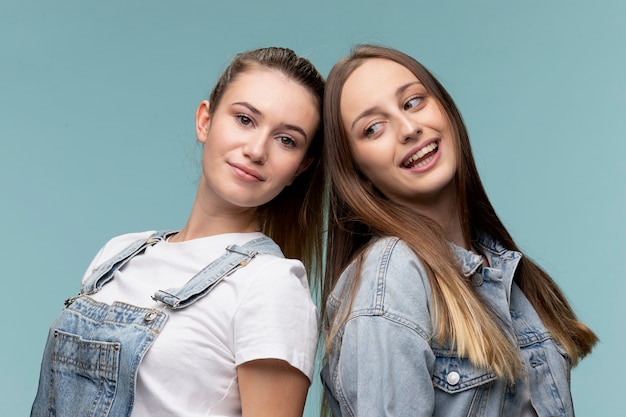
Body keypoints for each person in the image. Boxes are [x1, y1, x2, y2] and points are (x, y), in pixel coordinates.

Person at [31, 47, 326, 417]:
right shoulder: (118, 254)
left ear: (300, 169)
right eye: (245, 119)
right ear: (205, 121)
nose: (256, 150)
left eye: (287, 140)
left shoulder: (273, 285)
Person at [320, 45, 597, 417]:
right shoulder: (394, 274)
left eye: (413, 102)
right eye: (373, 128)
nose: (408, 128)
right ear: (357, 174)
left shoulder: (506, 272)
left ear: (446, 110)